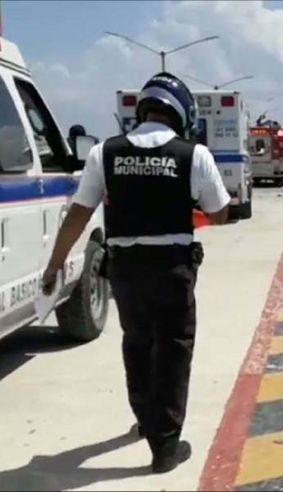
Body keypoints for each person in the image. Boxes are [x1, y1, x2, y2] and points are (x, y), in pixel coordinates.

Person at [41, 72, 230, 474]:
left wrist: (55, 264)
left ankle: (146, 418)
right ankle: (165, 446)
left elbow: (80, 212)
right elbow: (218, 211)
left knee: (137, 342)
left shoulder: (104, 153)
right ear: (181, 114)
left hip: (125, 269)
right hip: (172, 267)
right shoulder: (193, 154)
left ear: (141, 110)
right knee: (174, 349)